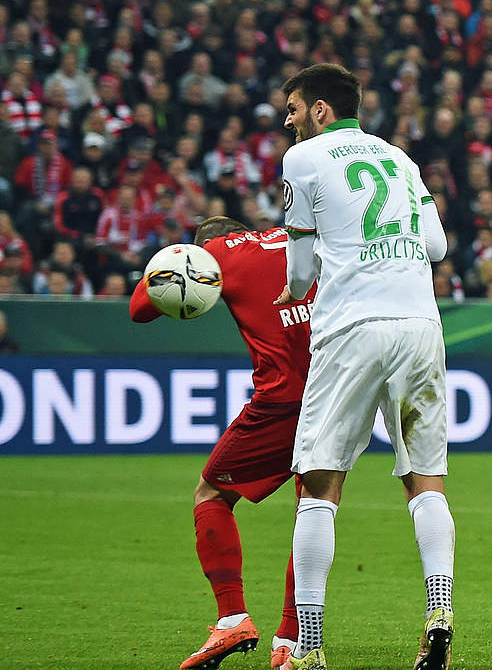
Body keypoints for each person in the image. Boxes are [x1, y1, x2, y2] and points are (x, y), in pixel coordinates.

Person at [273, 63, 453, 670]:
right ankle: (440, 608)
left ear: (321, 109)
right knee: (425, 482)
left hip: (352, 328)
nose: (287, 118)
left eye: (293, 107)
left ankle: (311, 645)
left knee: (319, 489)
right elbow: (437, 248)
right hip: (421, 327)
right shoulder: (401, 160)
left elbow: (299, 272)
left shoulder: (302, 159)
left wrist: (292, 289)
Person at [129, 216, 315, 670]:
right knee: (313, 507)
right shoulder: (294, 238)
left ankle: (232, 616)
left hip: (283, 399)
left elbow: (139, 307)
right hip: (342, 390)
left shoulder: (220, 253)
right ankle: (292, 641)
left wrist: (189, 263)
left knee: (211, 494)